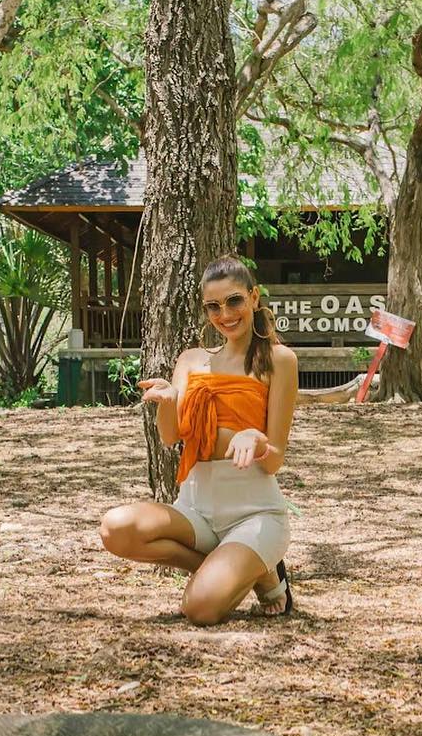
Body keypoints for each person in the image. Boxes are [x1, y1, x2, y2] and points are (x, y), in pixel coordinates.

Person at [100, 255, 299, 623]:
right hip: (196, 509)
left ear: (254, 298)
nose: (225, 314)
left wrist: (254, 437)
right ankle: (258, 572)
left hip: (254, 514)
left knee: (200, 609)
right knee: (116, 529)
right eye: (214, 306)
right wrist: (169, 400)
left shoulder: (279, 360)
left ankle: (256, 564)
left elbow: (273, 459)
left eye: (234, 300)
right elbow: (170, 435)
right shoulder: (191, 360)